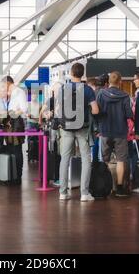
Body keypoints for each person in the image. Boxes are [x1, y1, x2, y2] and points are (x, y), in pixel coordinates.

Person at [57, 63, 99, 202]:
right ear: (82, 74)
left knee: (65, 159)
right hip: (82, 128)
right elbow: (95, 110)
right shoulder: (87, 89)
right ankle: (84, 193)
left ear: (71, 73)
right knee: (86, 159)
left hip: (66, 128)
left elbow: (58, 110)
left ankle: (63, 192)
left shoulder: (63, 88)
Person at [96, 71, 133, 197]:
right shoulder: (125, 96)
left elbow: (96, 111)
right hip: (120, 132)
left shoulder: (101, 93)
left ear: (109, 82)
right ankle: (120, 188)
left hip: (105, 131)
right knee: (121, 160)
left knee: (104, 160)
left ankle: (104, 186)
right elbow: (129, 114)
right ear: (120, 81)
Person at [1, 76, 28, 185]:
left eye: (4, 85)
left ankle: (17, 176)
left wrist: (12, 116)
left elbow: (24, 108)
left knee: (16, 150)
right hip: (10, 125)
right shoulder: (11, 94)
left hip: (16, 124)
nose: (3, 87)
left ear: (8, 83)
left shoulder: (19, 92)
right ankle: (12, 175)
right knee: (10, 149)